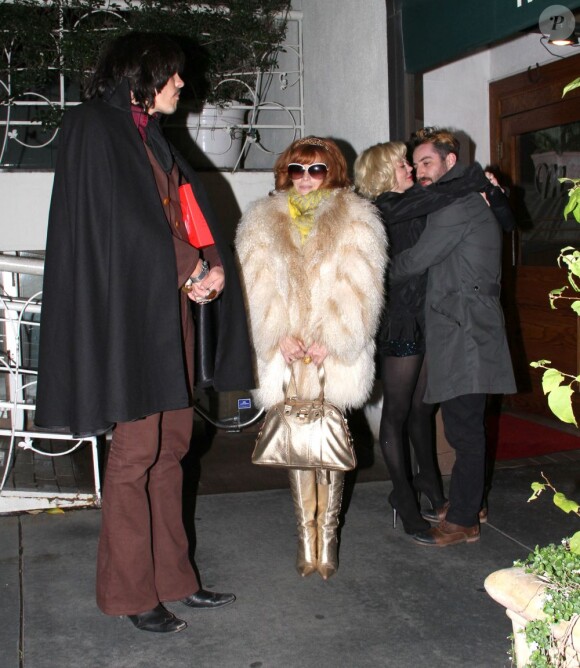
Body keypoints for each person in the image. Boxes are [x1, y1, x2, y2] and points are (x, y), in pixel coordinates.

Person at [35, 33, 254, 633]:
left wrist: (206, 269)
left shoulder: (147, 134)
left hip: (169, 315)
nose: (182, 84)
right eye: (173, 74)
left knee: (173, 449)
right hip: (126, 320)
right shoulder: (93, 127)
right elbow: (118, 222)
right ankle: (130, 593)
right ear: (143, 74)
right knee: (135, 456)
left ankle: (176, 580)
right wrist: (191, 270)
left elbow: (179, 210)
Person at [235, 136, 387, 579]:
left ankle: (329, 538)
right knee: (299, 449)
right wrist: (275, 335)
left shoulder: (358, 219)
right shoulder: (261, 220)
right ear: (285, 174)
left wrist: (332, 338)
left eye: (316, 170)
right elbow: (253, 288)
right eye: (297, 170)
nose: (305, 179)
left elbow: (363, 287)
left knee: (329, 448)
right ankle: (306, 539)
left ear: (332, 172)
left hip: (331, 354)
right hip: (285, 354)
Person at [389, 127, 516, 547]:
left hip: (466, 330)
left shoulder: (457, 204)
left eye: (427, 162)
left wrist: (367, 266)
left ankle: (463, 520)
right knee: (466, 424)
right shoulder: (458, 198)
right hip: (465, 325)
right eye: (417, 163)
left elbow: (416, 260)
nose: (421, 171)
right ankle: (469, 502)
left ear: (450, 161)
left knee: (463, 428)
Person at [354, 142, 446, 537]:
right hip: (400, 320)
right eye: (402, 163)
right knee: (396, 411)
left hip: (427, 317)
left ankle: (430, 484)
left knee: (423, 408)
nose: (409, 167)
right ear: (382, 171)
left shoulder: (410, 202)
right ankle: (404, 500)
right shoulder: (384, 207)